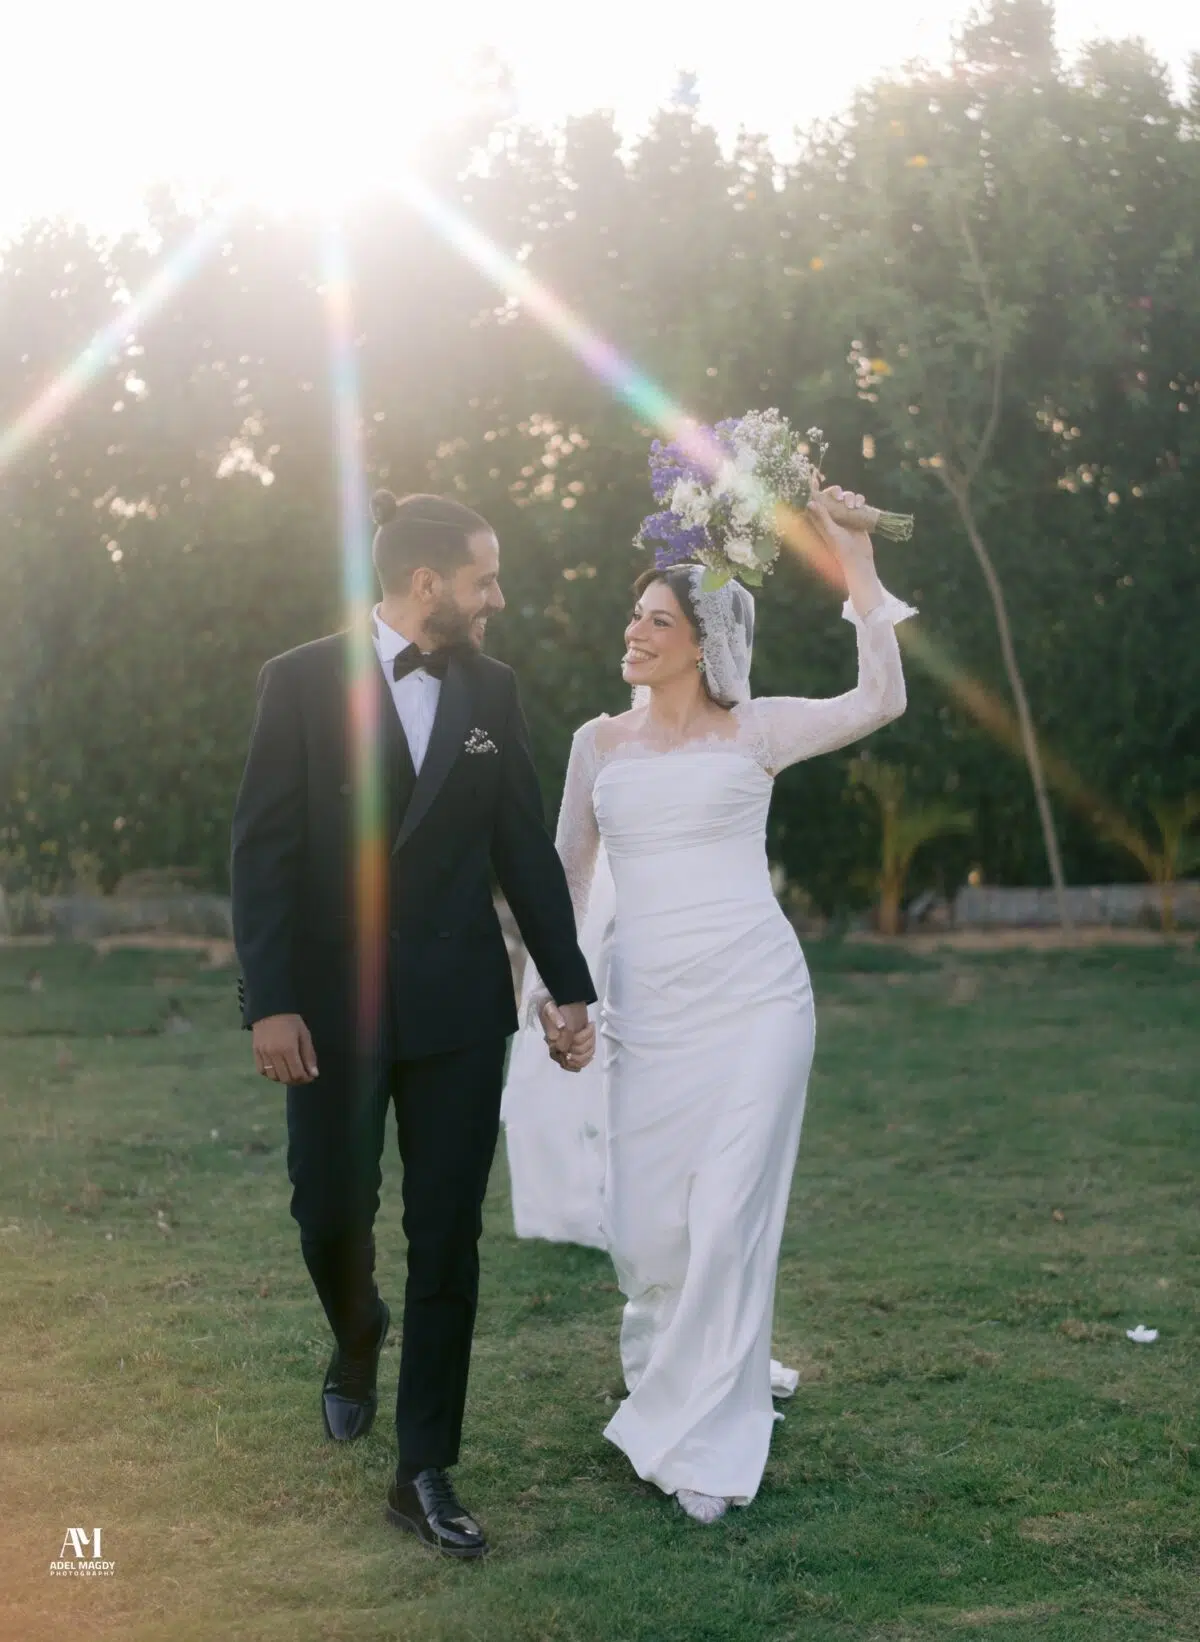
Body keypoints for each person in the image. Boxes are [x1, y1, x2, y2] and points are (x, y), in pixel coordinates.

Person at [506, 485, 914, 1523]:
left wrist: (856, 558)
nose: (634, 632)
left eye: (657, 620)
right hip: (650, 1008)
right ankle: (682, 1362)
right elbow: (567, 874)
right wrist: (556, 992)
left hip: (758, 1000)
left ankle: (710, 1436)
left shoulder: (757, 731)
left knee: (730, 1211)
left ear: (704, 642)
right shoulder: (599, 744)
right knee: (651, 1228)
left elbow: (879, 699)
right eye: (635, 615)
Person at [230, 490, 596, 1560]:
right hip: (326, 1012)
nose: (498, 599)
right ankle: (357, 1333)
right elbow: (262, 852)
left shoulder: (493, 689)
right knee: (326, 1212)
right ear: (427, 582)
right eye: (486, 579)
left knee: (447, 1238)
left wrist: (568, 985)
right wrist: (271, 1000)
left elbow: (522, 847)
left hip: (456, 1010)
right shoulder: (299, 681)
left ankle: (423, 1467)